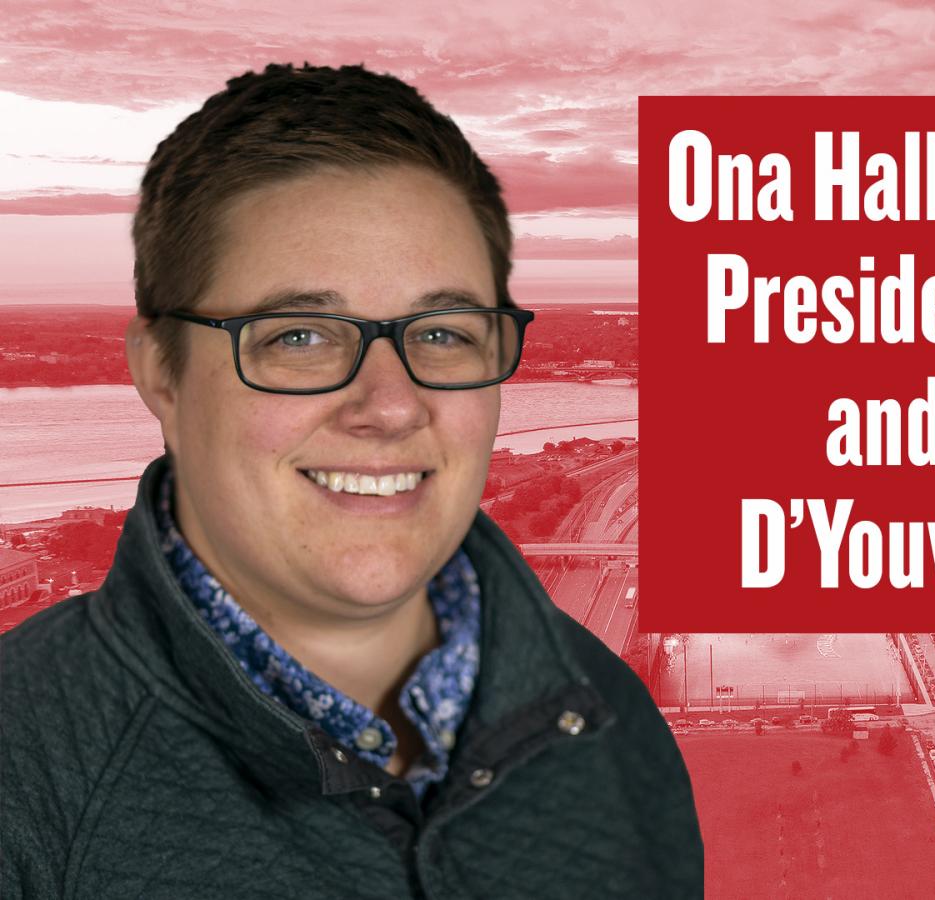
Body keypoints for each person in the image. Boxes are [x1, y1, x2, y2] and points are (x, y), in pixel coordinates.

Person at [0, 63, 703, 898]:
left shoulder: (608, 715)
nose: (391, 405)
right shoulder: (28, 759)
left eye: (443, 334)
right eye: (298, 336)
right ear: (163, 373)